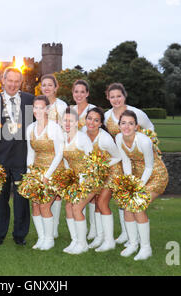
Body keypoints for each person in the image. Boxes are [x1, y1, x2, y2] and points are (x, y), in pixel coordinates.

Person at [104, 82, 155, 245]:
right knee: (122, 196)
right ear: (108, 98)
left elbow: (151, 130)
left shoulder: (136, 113)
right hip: (120, 161)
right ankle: (127, 233)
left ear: (124, 96)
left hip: (138, 161)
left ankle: (138, 237)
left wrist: (145, 150)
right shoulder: (106, 116)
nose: (116, 99)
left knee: (136, 198)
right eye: (112, 97)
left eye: (119, 96)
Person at [0, 67, 34, 246]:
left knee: (22, 199)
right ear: (3, 80)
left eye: (17, 81)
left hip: (22, 157)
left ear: (20, 82)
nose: (13, 84)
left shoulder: (30, 100)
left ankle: (20, 235)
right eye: (10, 80)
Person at [115, 110, 168, 260]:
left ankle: (146, 248)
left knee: (137, 204)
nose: (127, 126)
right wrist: (128, 183)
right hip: (138, 176)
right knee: (126, 206)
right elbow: (125, 161)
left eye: (130, 123)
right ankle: (133, 244)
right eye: (123, 123)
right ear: (119, 125)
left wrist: (137, 186)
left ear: (136, 126)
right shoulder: (119, 138)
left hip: (156, 175)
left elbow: (150, 167)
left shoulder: (144, 141)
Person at [25, 96, 64, 251]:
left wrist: (47, 176)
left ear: (47, 109)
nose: (38, 111)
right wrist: (30, 173)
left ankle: (49, 239)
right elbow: (30, 152)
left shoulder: (54, 127)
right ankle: (42, 238)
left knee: (45, 205)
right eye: (35, 107)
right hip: (37, 171)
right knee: (35, 205)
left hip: (54, 171)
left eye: (41, 108)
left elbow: (59, 154)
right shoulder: (30, 128)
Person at [84, 107, 122, 252]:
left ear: (100, 123)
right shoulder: (82, 133)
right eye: (89, 118)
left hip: (112, 171)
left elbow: (117, 156)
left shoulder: (105, 138)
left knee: (102, 202)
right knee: (95, 202)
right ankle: (99, 237)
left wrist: (101, 165)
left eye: (96, 120)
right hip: (98, 173)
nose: (91, 122)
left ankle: (109, 240)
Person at [40, 74, 67, 239]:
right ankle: (46, 229)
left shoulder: (62, 105)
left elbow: (67, 128)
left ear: (56, 87)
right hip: (42, 153)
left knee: (56, 191)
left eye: (50, 85)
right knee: (44, 192)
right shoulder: (38, 105)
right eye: (44, 85)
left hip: (57, 151)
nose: (47, 88)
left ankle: (54, 227)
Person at [61, 107, 91, 254]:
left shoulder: (82, 138)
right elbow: (66, 162)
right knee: (68, 207)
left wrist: (83, 182)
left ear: (77, 122)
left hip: (89, 178)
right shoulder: (63, 137)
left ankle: (83, 244)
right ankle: (75, 240)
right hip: (74, 179)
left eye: (70, 120)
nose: (67, 123)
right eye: (65, 120)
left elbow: (92, 163)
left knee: (77, 208)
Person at [71, 79, 97, 240]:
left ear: (87, 93)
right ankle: (80, 234)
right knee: (77, 198)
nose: (79, 94)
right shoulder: (70, 110)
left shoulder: (92, 110)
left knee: (93, 198)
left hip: (90, 155)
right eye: (76, 91)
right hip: (75, 159)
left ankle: (94, 231)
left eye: (82, 91)